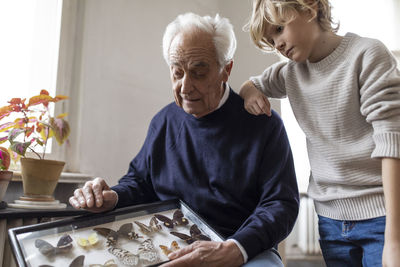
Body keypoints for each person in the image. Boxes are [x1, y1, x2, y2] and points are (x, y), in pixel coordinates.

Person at [69, 12, 299, 267]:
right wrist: (112, 196)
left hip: (243, 247)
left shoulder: (263, 124)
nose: (185, 87)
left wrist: (234, 249)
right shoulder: (164, 122)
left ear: (226, 69)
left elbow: (280, 204)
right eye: (177, 73)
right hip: (171, 243)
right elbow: (140, 182)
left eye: (198, 74)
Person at [239, 0, 400, 266]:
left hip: (382, 215)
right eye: (270, 40)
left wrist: (395, 240)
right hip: (330, 221)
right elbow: (252, 83)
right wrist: (249, 92)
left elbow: (393, 142)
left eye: (279, 28)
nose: (277, 44)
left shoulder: (367, 54)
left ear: (310, 7)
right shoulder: (290, 73)